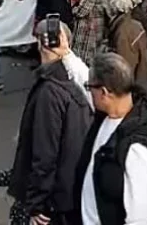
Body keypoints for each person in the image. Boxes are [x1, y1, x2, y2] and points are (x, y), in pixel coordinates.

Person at [75, 52, 147, 225]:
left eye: (89, 87)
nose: (88, 92)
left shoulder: (136, 149)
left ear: (104, 92)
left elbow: (142, 219)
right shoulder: (106, 118)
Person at [6, 19, 92, 225]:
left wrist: (36, 202)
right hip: (68, 194)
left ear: (39, 44)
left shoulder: (48, 91)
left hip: (50, 201)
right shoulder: (71, 86)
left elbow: (44, 153)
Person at [103, 0, 147, 89]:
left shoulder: (123, 34)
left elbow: (125, 70)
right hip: (143, 84)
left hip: (134, 91)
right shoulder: (134, 24)